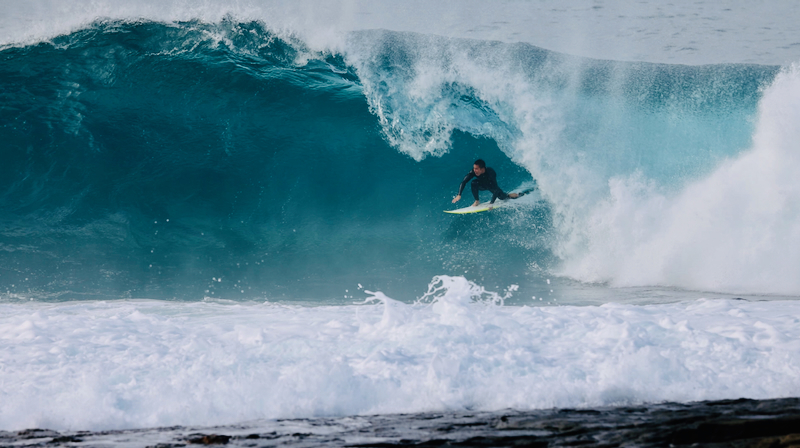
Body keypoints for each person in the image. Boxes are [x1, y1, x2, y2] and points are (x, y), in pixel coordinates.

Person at [452, 159, 519, 207]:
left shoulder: (490, 173)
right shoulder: (473, 172)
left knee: (502, 197)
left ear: (483, 169)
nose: (474, 170)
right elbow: (464, 181)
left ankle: (509, 195)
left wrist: (491, 203)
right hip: (482, 185)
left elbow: (496, 189)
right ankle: (477, 201)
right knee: (473, 182)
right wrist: (459, 194)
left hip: (491, 185)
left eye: (476, 169)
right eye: (474, 168)